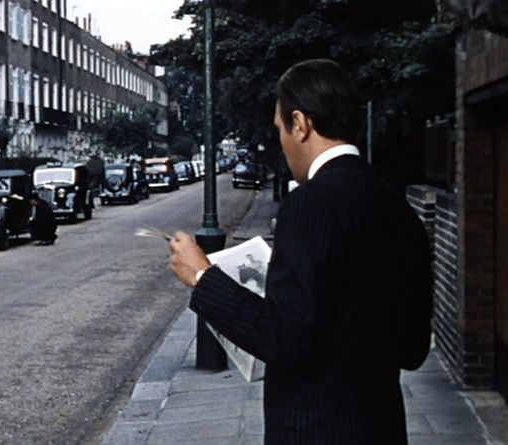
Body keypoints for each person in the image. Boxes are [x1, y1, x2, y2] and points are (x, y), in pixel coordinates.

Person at [169, 59, 433, 444]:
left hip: (316, 431)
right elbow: (413, 350)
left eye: (280, 129)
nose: (282, 142)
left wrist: (203, 277)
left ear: (301, 123)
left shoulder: (310, 203)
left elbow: (285, 338)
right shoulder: (397, 206)